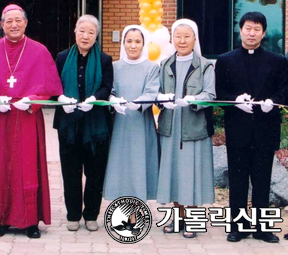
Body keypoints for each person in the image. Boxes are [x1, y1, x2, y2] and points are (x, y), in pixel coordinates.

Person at [0, 4, 63, 239]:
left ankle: (30, 221)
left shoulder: (39, 50)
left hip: (26, 118)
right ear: (1, 25)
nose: (13, 24)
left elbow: (48, 87)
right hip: (0, 119)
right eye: (8, 21)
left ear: (25, 23)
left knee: (28, 168)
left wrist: (32, 99)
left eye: (18, 20)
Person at [215, 11, 288, 243]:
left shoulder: (277, 60)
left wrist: (273, 102)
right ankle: (238, 226)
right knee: (237, 180)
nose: (251, 33)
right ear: (240, 30)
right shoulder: (225, 60)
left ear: (264, 32)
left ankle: (262, 228)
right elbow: (220, 94)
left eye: (257, 29)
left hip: (265, 129)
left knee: (262, 180)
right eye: (248, 28)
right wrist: (236, 101)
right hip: (237, 129)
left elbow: (285, 90)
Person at [156, 18, 215, 239]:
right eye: (178, 36)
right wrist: (161, 100)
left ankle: (194, 220)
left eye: (186, 36)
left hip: (194, 128)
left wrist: (192, 99)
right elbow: (157, 92)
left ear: (194, 39)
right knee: (173, 174)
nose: (182, 41)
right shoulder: (165, 64)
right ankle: (176, 217)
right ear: (172, 39)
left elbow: (210, 95)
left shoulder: (205, 65)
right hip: (170, 128)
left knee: (193, 175)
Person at [53, 15, 112, 232]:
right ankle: (73, 214)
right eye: (82, 31)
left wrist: (94, 99)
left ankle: (91, 214)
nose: (85, 36)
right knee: (71, 172)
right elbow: (53, 87)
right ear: (75, 32)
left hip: (96, 126)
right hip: (69, 125)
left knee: (95, 172)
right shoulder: (62, 57)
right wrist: (61, 100)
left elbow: (107, 87)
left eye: (90, 32)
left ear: (96, 35)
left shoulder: (105, 59)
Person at [103, 25, 159, 202]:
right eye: (129, 41)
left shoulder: (152, 67)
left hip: (141, 123)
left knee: (139, 164)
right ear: (123, 43)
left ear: (143, 44)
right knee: (120, 165)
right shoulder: (114, 66)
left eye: (137, 41)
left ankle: (137, 204)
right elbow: (108, 89)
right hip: (120, 124)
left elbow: (152, 90)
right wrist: (112, 99)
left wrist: (139, 102)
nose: (133, 45)